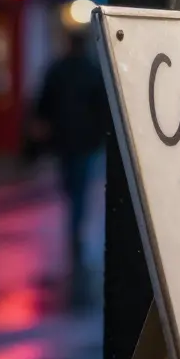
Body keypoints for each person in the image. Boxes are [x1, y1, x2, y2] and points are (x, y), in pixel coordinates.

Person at [34, 31, 109, 279]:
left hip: (65, 140)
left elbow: (44, 102)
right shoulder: (91, 70)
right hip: (84, 141)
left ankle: (74, 227)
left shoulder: (59, 69)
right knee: (79, 186)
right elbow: (102, 106)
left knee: (72, 184)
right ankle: (75, 226)